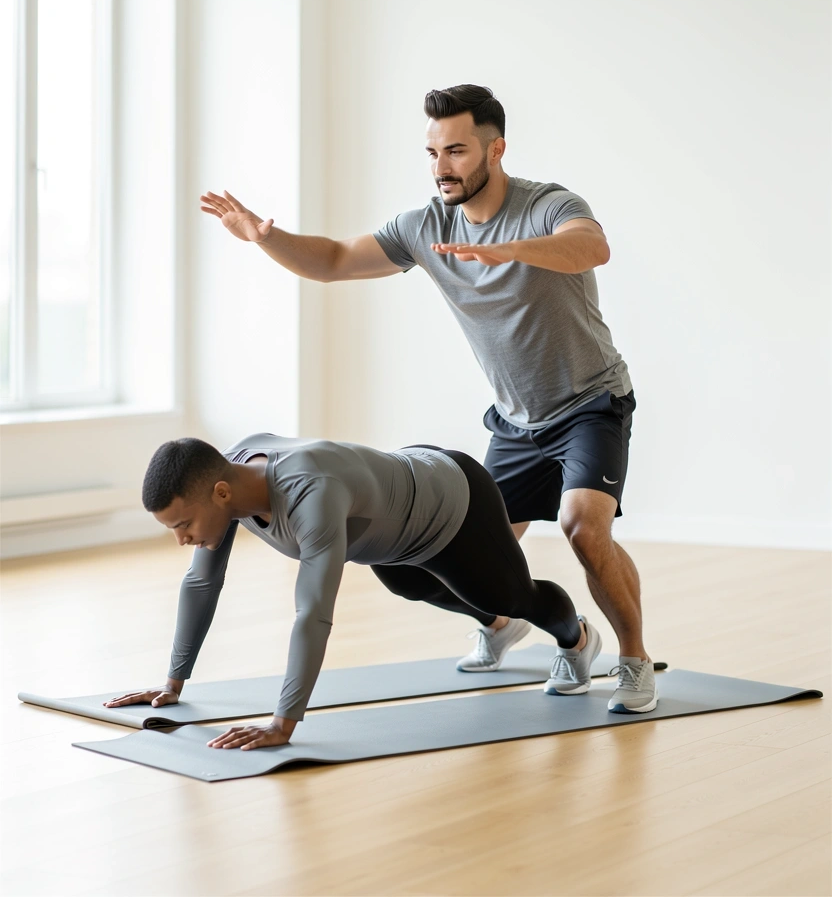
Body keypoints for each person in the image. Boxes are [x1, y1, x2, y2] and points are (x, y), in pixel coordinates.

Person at [199, 84, 656, 713]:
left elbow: (593, 246)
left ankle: (632, 661)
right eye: (433, 152)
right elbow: (333, 260)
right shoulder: (424, 225)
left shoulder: (548, 205)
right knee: (460, 546)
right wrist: (262, 237)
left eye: (458, 151)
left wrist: (507, 250)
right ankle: (502, 625)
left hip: (589, 402)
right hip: (516, 422)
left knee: (582, 527)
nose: (442, 166)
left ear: (496, 150)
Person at [105, 434, 605, 750]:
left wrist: (283, 723)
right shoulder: (228, 480)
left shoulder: (310, 496)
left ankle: (576, 639)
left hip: (455, 501)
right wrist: (172, 684)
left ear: (219, 494)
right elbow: (202, 581)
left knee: (512, 596)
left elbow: (313, 613)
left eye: (184, 524)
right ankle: (499, 631)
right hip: (394, 534)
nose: (182, 539)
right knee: (408, 584)